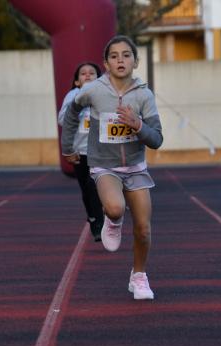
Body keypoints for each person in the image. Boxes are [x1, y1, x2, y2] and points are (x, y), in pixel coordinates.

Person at [61, 35, 163, 300]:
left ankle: (138, 276)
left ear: (136, 61)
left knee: (143, 228)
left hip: (136, 167)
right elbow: (71, 112)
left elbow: (157, 139)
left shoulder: (143, 95)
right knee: (116, 207)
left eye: (126, 55)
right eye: (114, 56)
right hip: (104, 165)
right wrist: (68, 146)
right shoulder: (93, 90)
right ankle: (113, 220)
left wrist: (137, 125)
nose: (121, 60)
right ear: (106, 63)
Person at [58, 62, 104, 241]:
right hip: (79, 151)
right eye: (83, 74)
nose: (87, 75)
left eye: (92, 73)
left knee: (93, 186)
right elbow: (62, 120)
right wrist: (77, 108)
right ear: (77, 81)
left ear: (99, 79)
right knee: (85, 189)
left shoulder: (103, 96)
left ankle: (99, 222)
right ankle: (92, 216)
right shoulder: (72, 95)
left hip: (99, 151)